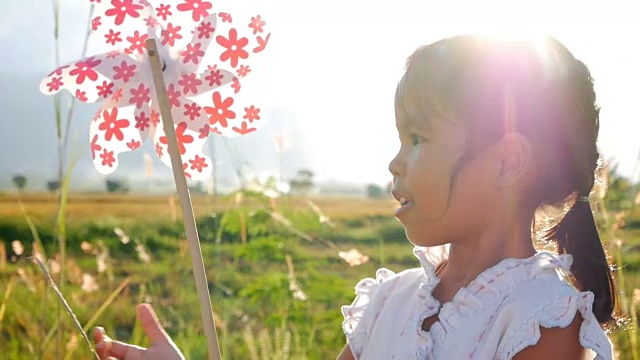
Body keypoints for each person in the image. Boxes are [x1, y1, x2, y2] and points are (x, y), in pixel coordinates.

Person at [95, 33, 618, 360]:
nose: (395, 161)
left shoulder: (543, 317)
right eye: (399, 138)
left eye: (418, 138)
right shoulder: (390, 304)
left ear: (507, 162)